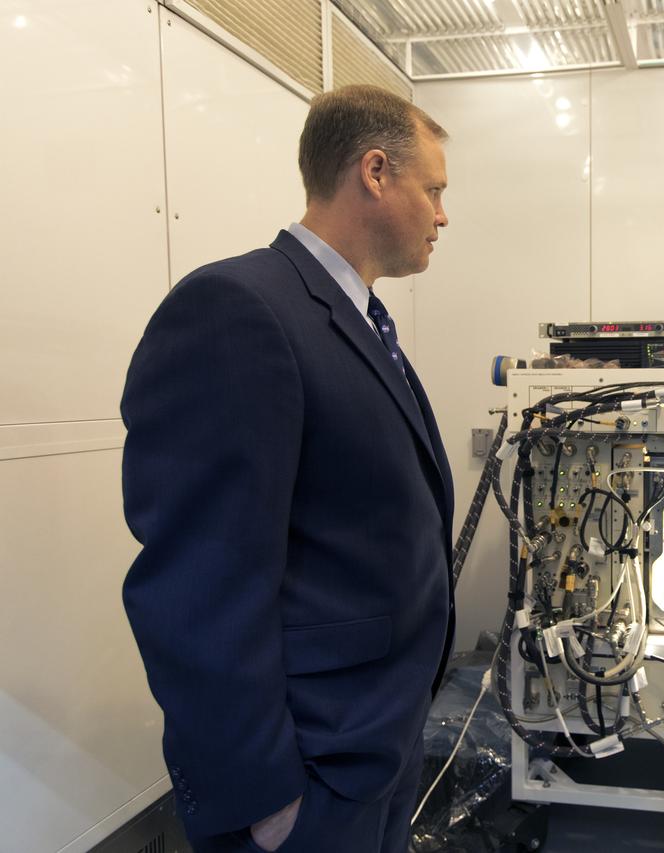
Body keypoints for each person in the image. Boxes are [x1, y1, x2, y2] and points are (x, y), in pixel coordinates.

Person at [120, 85, 455, 853]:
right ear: (375, 172)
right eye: (434, 190)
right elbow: (197, 587)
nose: (443, 216)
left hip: (376, 748)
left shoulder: (358, 321)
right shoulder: (239, 308)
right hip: (309, 780)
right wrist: (267, 802)